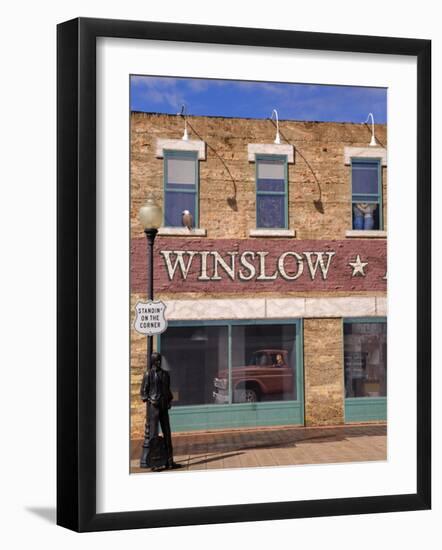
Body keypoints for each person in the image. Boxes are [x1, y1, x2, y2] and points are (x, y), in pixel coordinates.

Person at [140, 352, 179, 470]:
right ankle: (155, 463)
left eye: (159, 360)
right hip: (154, 407)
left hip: (163, 406)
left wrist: (169, 401)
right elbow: (143, 392)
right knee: (153, 435)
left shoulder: (165, 374)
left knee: (167, 433)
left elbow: (167, 390)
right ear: (152, 361)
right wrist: (150, 400)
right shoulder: (148, 374)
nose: (158, 362)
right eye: (156, 360)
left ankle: (170, 461)